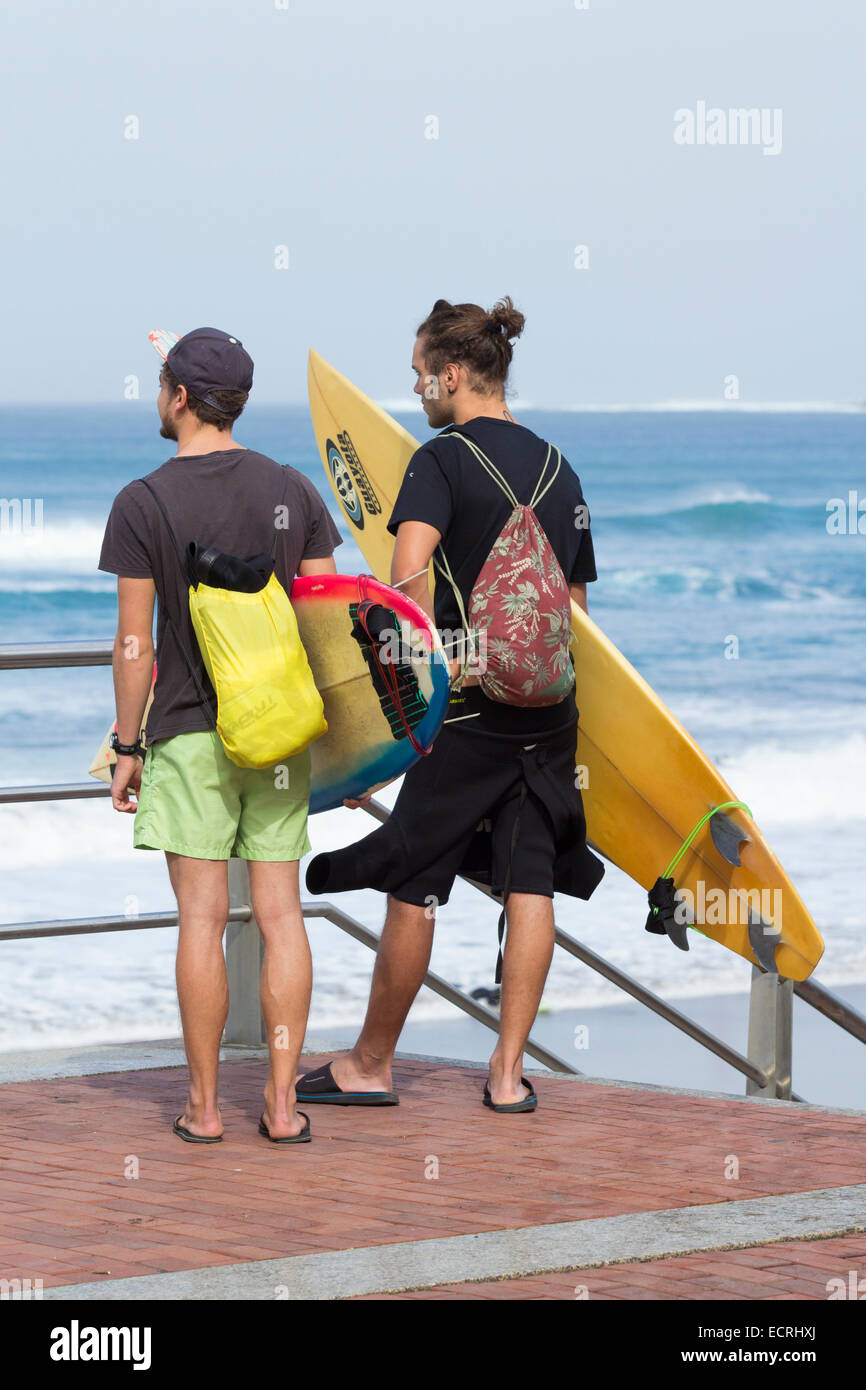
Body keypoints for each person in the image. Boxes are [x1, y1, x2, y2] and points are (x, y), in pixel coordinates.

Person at [302, 297, 604, 1113]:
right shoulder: (560, 467)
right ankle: (508, 1076)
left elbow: (404, 589)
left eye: (419, 376)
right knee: (529, 876)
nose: (415, 391)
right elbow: (574, 609)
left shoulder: (441, 461)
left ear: (454, 374)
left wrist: (385, 725)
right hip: (547, 712)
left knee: (417, 877)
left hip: (464, 710)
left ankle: (370, 1064)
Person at [99, 327, 341, 1144]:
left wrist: (127, 748)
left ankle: (204, 1110)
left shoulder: (145, 500)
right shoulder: (292, 490)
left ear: (179, 398)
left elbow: (135, 645)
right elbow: (328, 626)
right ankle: (280, 1105)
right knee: (282, 915)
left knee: (200, 921)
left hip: (192, 737)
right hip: (277, 741)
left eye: (159, 383)